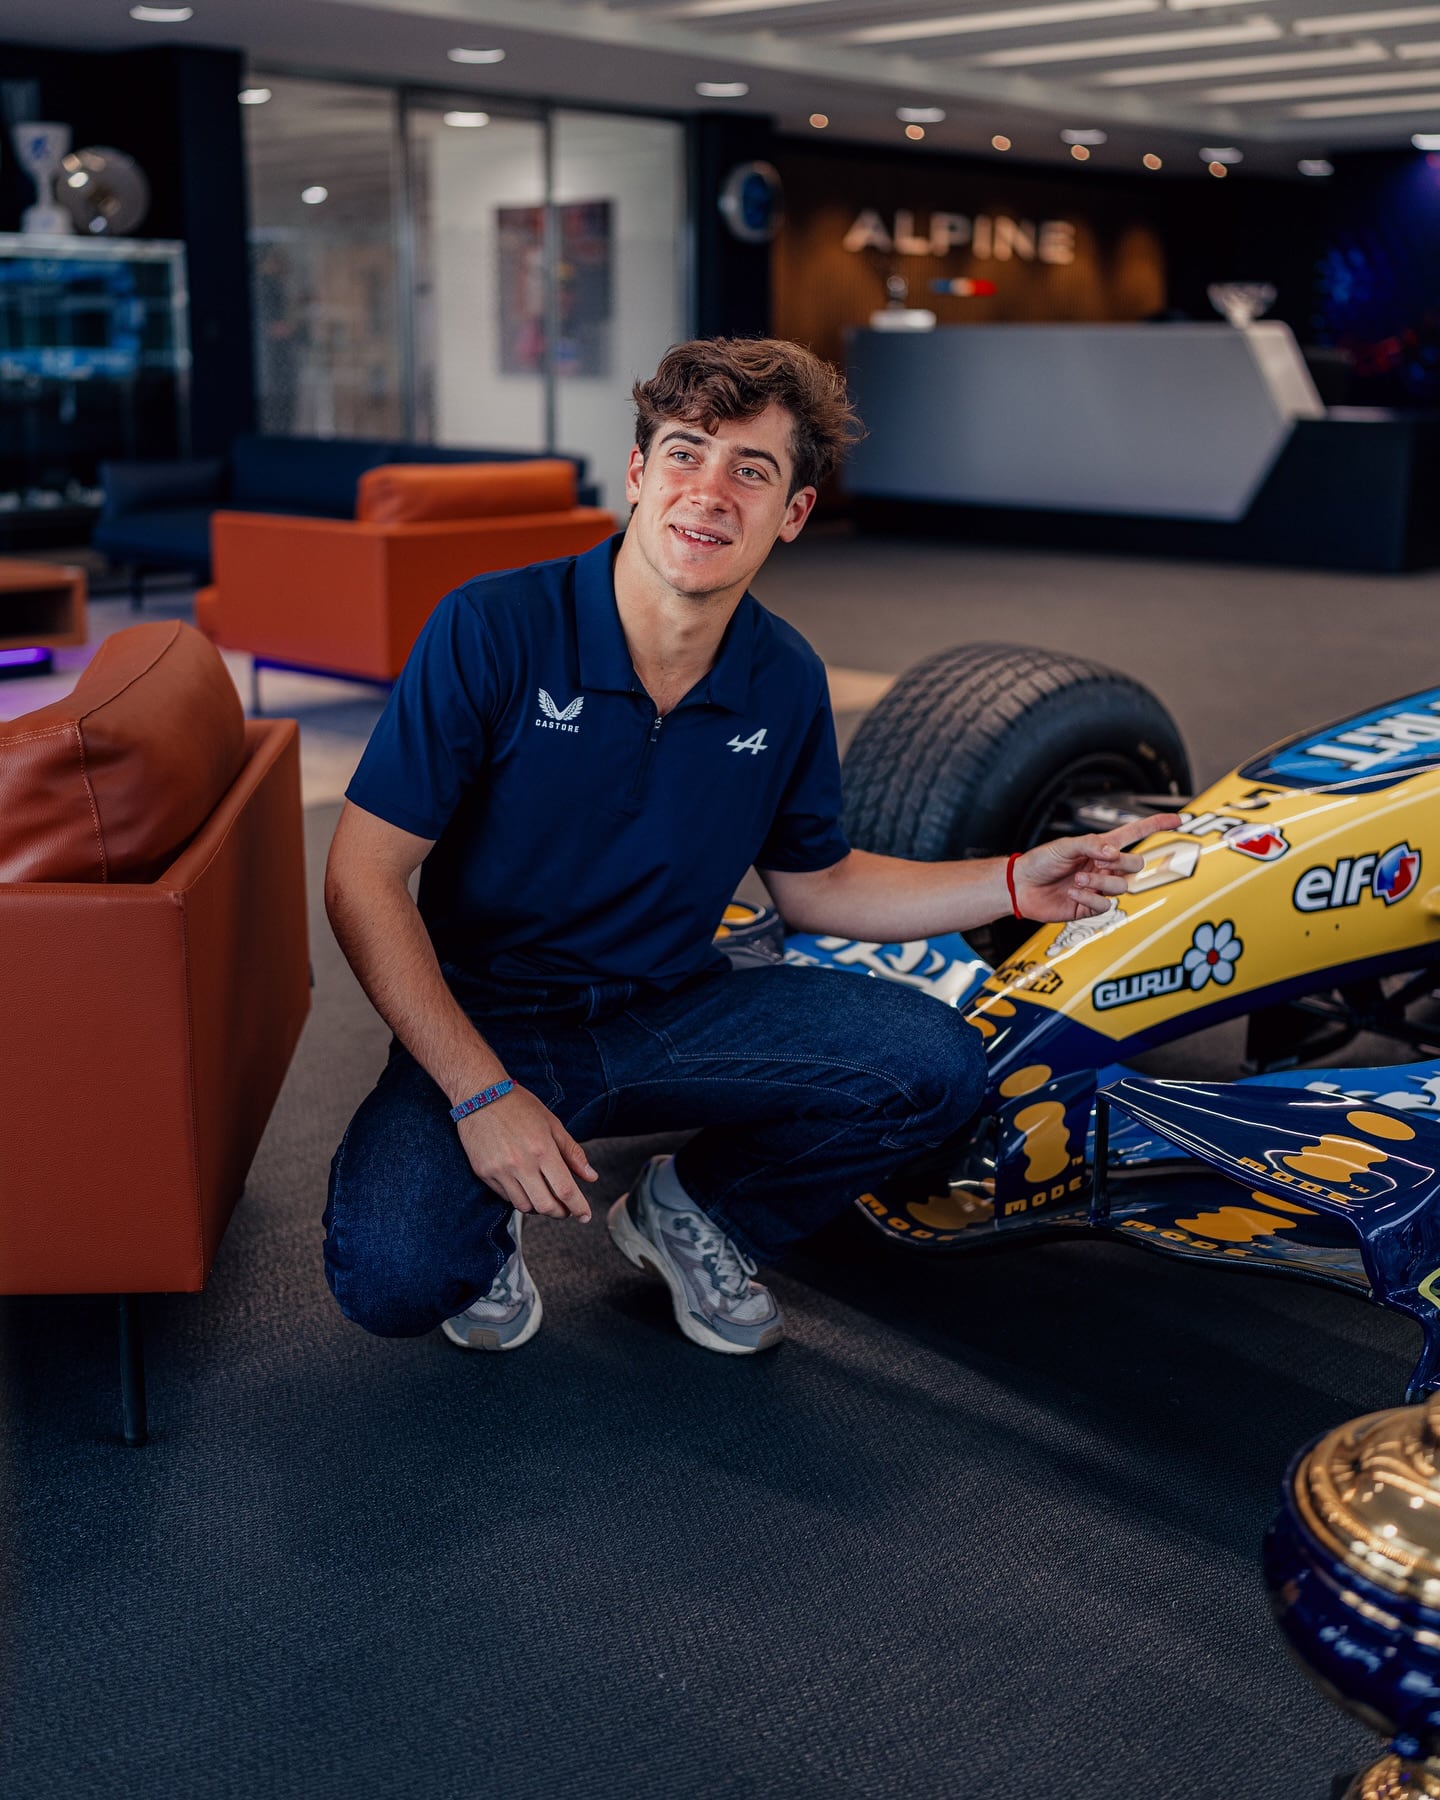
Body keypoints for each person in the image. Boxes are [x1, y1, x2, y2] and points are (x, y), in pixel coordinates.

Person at [322, 337, 1174, 1358]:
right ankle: (483, 1212)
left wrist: (1007, 883)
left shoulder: (782, 677)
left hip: (673, 1007)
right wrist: (480, 1092)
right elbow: (361, 876)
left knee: (934, 1064)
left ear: (794, 513)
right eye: (685, 454)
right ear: (638, 474)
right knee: (393, 1275)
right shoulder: (492, 629)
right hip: (492, 1018)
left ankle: (694, 1211)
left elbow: (820, 886)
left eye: (751, 470)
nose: (709, 492)